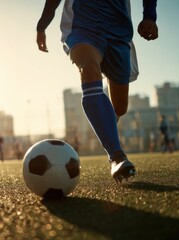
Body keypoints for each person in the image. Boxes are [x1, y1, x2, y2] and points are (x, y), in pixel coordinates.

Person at [36, 0, 158, 182]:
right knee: (89, 69)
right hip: (83, 26)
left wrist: (150, 16)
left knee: (120, 108)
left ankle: (106, 122)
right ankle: (116, 156)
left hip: (119, 32)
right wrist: (42, 26)